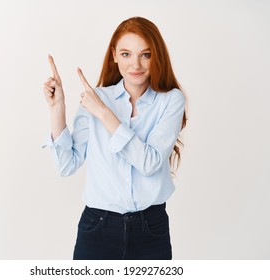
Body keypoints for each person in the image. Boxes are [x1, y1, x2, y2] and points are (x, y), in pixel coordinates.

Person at [42, 16, 187, 260]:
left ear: (156, 56)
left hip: (150, 229)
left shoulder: (171, 100)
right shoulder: (97, 97)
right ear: (114, 55)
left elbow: (150, 163)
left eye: (146, 54)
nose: (136, 65)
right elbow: (67, 165)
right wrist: (58, 108)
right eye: (127, 54)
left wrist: (103, 113)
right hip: (98, 227)